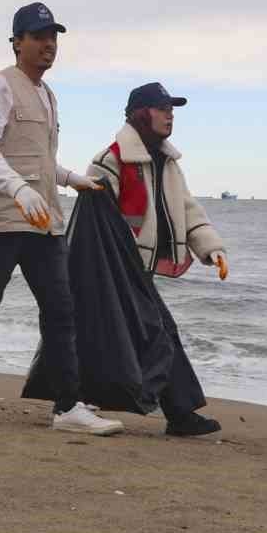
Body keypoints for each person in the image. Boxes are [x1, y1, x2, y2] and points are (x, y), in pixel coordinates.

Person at [0, 2, 122, 436]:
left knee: (61, 310)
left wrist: (72, 178)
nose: (48, 46)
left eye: (53, 38)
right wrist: (17, 189)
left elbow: (41, 159)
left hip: (43, 222)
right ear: (17, 42)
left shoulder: (48, 95)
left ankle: (67, 407)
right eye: (39, 38)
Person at [86, 82, 228, 436]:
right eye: (163, 108)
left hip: (139, 273)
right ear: (141, 113)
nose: (170, 115)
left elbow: (186, 208)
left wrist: (212, 248)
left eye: (172, 109)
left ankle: (172, 412)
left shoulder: (167, 163)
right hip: (116, 272)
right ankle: (173, 412)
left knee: (144, 336)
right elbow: (95, 226)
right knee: (156, 336)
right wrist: (110, 269)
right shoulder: (109, 161)